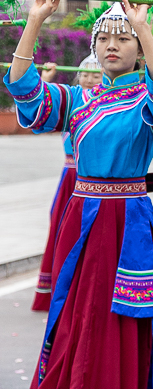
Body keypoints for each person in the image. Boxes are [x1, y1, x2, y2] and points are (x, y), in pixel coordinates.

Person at [5, 0, 153, 389]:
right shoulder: (80, 99)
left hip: (125, 226)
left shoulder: (148, 96)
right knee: (69, 327)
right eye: (103, 37)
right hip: (80, 223)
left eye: (122, 38)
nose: (111, 45)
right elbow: (24, 90)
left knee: (109, 330)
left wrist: (145, 29)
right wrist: (36, 22)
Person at [28, 55, 101, 312]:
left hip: (93, 181)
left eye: (96, 75)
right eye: (84, 74)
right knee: (61, 231)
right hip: (70, 178)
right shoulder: (73, 102)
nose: (89, 80)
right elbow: (39, 108)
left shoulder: (107, 106)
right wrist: (45, 78)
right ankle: (58, 290)